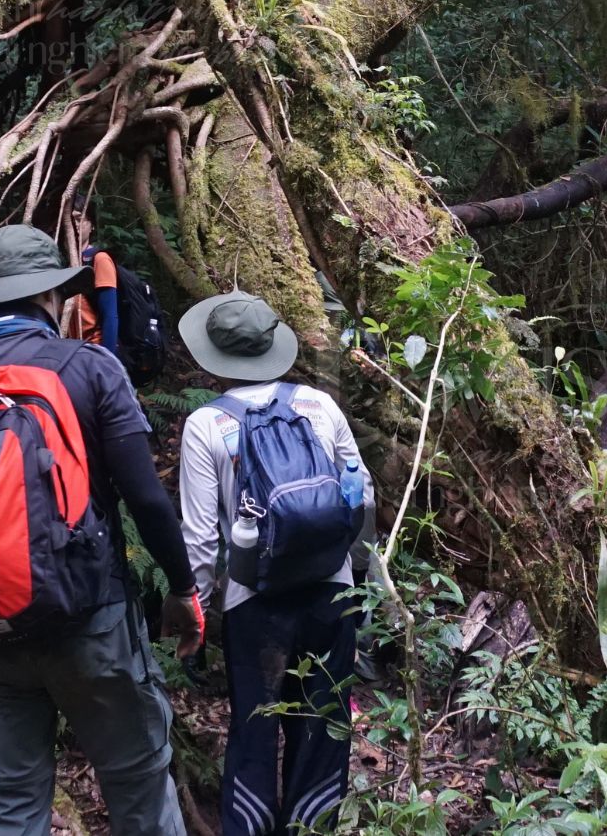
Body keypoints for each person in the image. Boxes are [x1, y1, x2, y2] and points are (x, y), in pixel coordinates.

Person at [0, 225, 204, 836]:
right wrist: (182, 588)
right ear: (52, 296)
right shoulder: (89, 368)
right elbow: (146, 498)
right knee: (138, 786)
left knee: (13, 809)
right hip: (92, 621)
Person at [176, 292, 370, 836]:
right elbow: (362, 497)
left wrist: (196, 616)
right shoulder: (318, 405)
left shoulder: (206, 425)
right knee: (323, 730)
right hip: (331, 593)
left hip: (254, 604)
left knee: (254, 733)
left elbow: (198, 536)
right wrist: (360, 589)